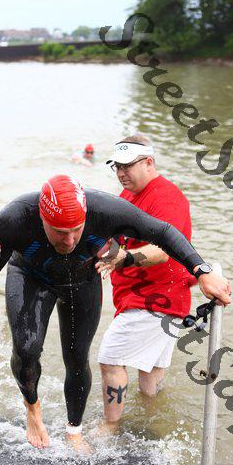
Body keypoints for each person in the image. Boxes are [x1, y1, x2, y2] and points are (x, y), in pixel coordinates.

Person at [0, 175, 231, 453]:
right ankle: (33, 409)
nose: (69, 240)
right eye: (59, 232)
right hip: (31, 277)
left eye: (76, 230)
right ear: (42, 219)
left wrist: (202, 271)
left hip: (82, 281)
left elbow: (163, 232)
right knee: (27, 349)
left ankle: (73, 430)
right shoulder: (15, 218)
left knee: (77, 357)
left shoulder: (104, 209)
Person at [96, 134, 205, 432]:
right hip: (151, 298)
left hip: (154, 300)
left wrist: (125, 259)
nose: (121, 173)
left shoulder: (167, 197)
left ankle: (110, 428)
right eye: (117, 167)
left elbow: (163, 250)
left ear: (148, 162)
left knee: (110, 359)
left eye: (127, 166)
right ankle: (155, 425)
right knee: (150, 374)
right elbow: (115, 239)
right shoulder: (126, 195)